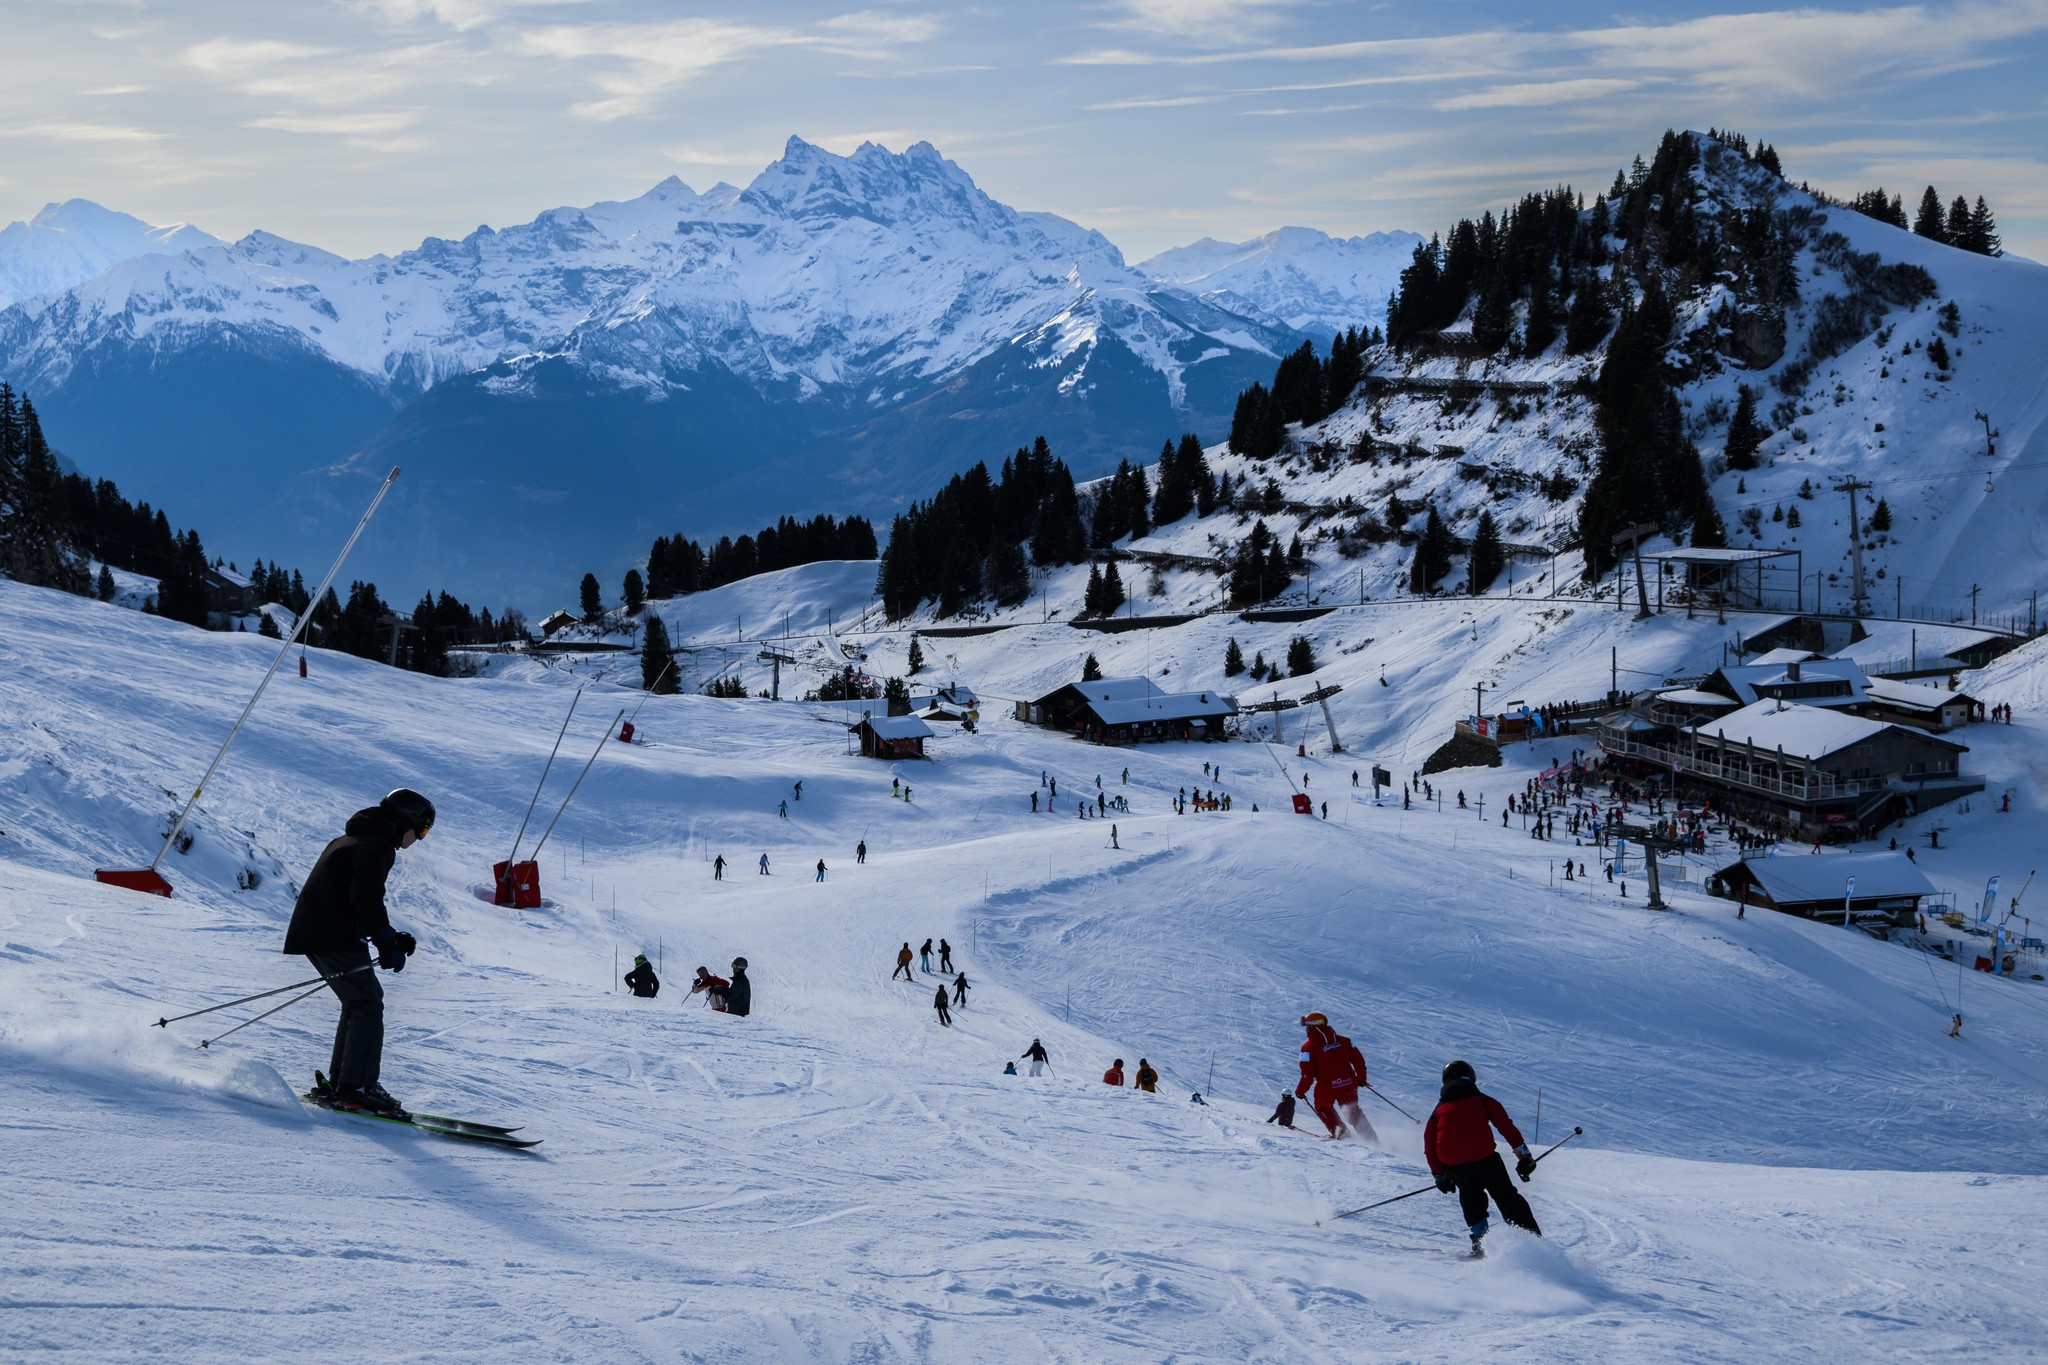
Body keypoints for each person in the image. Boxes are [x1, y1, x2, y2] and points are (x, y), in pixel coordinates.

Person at [286, 788, 430, 1118]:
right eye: (421, 831)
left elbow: (353, 896)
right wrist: (384, 938)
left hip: (320, 931)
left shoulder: (358, 839)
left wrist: (389, 937)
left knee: (359, 1002)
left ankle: (345, 1082)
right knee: (367, 1003)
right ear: (404, 821)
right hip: (330, 934)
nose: (419, 839)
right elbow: (365, 898)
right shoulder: (376, 845)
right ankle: (357, 1088)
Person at [1424, 1059, 1541, 1256]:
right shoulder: (1483, 1100)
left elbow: (1429, 1145)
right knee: (1505, 1196)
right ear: (1471, 1077)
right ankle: (1530, 1239)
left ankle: (1480, 1241)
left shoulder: (1439, 1111)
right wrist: (1524, 1157)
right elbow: (1505, 1126)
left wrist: (1440, 1176)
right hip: (1485, 1158)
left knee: (1470, 1196)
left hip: (1455, 1164)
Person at [1294, 1011, 1376, 1142]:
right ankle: (1372, 1139)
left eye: (1307, 1027)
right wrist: (1361, 1078)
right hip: (1348, 1083)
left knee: (1323, 1108)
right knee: (1352, 1111)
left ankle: (1342, 1135)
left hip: (1327, 1087)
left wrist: (1300, 1091)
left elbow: (1307, 1075)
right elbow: (1358, 1061)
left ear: (1312, 1027)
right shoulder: (1345, 1041)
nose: (1306, 1030)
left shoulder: (1307, 1048)